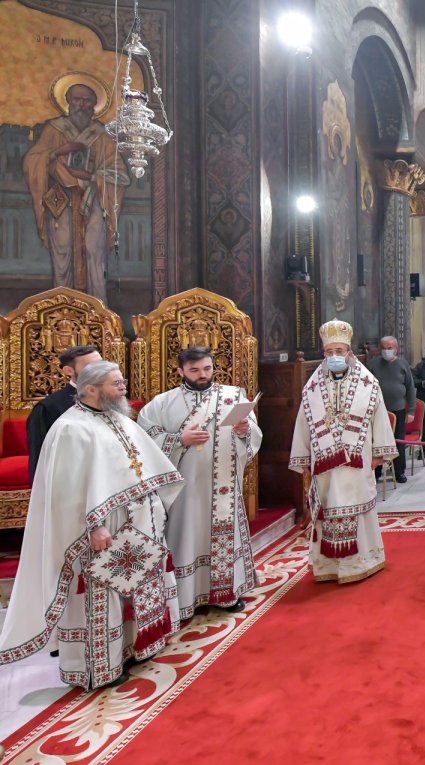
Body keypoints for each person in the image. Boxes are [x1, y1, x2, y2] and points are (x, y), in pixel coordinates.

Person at [0, 361, 182, 689]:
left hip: (138, 522)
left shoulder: (117, 417)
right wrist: (94, 525)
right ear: (91, 389)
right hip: (103, 529)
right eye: (115, 383)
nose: (123, 387)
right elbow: (66, 489)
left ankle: (134, 648)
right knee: (102, 595)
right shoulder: (71, 428)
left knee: (135, 588)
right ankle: (100, 668)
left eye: (121, 380)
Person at [136, 347, 261, 618]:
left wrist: (243, 431)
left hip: (222, 487)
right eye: (194, 370)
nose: (202, 375)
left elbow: (252, 432)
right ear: (180, 371)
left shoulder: (233, 395)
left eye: (207, 368)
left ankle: (225, 593)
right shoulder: (161, 404)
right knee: (185, 538)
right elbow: (144, 440)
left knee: (223, 535)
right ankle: (185, 598)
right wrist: (179, 440)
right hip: (183, 491)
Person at [290, 319, 396, 584]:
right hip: (324, 464)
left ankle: (362, 561)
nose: (334, 356)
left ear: (349, 354)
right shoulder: (312, 387)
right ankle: (329, 565)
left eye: (339, 351)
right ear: (324, 355)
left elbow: (379, 418)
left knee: (358, 507)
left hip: (357, 463)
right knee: (326, 509)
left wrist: (381, 454)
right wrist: (303, 459)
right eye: (329, 352)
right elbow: (303, 423)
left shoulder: (368, 383)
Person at [22, 82, 129, 302]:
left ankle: (98, 311)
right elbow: (33, 161)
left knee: (94, 251)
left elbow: (120, 173)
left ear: (94, 105)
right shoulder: (54, 129)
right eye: (77, 100)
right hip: (60, 200)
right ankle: (62, 308)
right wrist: (58, 154)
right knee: (62, 251)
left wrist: (91, 177)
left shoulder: (103, 136)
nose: (81, 105)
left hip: (94, 200)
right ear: (68, 103)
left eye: (87, 100)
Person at [26, 344, 102, 481]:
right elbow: (39, 457)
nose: (100, 371)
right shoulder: (48, 408)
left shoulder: (110, 399)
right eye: (91, 367)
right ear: (69, 371)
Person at [366, 336, 416, 483]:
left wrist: (411, 410)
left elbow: (410, 388)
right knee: (378, 441)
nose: (387, 351)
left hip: (398, 410)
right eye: (384, 348)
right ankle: (377, 472)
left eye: (390, 348)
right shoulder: (372, 364)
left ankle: (399, 471)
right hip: (377, 411)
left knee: (398, 441)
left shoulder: (403, 364)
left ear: (396, 349)